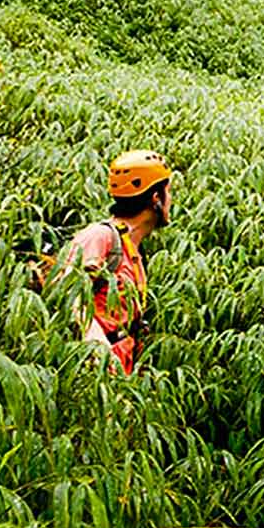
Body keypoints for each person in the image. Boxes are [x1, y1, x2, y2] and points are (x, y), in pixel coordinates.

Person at [58, 150, 176, 375]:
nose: (170, 200)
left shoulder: (132, 251)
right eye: (168, 192)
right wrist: (99, 353)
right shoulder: (100, 236)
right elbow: (67, 295)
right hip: (94, 376)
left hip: (119, 375)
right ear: (155, 199)